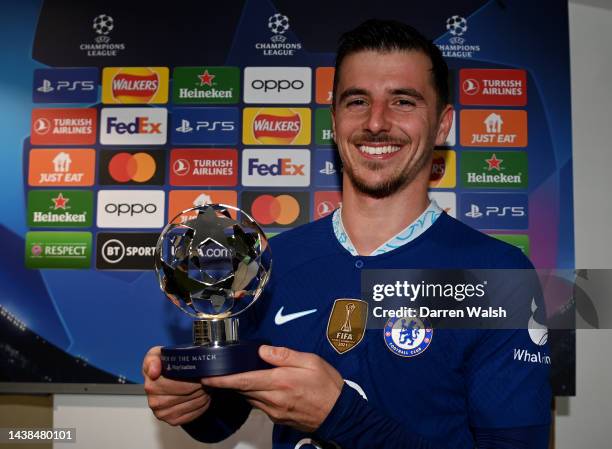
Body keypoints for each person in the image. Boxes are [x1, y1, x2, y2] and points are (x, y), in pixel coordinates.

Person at [143, 19, 551, 449]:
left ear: (442, 125)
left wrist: (341, 419)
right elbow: (226, 412)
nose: (376, 122)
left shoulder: (498, 276)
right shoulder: (268, 264)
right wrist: (194, 401)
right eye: (357, 101)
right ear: (334, 120)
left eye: (404, 102)